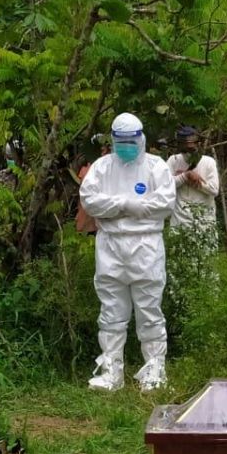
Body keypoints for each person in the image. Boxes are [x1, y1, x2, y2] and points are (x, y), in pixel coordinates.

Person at [79, 113, 176, 391]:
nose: (126, 147)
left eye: (130, 141)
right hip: (110, 245)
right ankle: (111, 371)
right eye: (120, 141)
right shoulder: (102, 167)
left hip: (146, 245)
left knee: (149, 308)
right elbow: (90, 201)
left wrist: (117, 208)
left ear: (141, 138)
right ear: (112, 139)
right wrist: (129, 204)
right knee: (111, 309)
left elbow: (165, 204)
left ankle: (154, 370)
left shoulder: (156, 167)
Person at [166, 126, 220, 232]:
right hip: (179, 221)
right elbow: (165, 185)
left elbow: (214, 190)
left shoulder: (208, 162)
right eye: (185, 146)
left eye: (192, 144)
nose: (189, 149)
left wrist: (191, 180)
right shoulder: (173, 160)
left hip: (204, 221)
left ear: (198, 143)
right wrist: (185, 176)